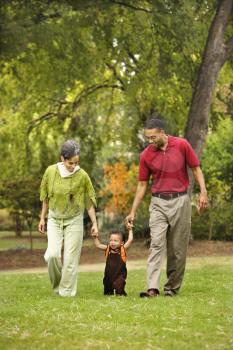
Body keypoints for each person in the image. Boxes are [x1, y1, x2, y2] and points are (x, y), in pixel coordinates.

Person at [125, 118, 208, 297]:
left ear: (163, 132)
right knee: (156, 244)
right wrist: (132, 211)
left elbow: (196, 169)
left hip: (180, 201)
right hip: (158, 203)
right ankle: (152, 288)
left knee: (178, 248)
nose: (150, 141)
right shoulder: (146, 155)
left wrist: (203, 192)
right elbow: (141, 185)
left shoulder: (182, 145)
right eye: (147, 138)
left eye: (153, 137)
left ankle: (171, 288)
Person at [38, 140, 98, 297]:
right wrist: (42, 218)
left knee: (70, 260)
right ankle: (58, 287)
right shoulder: (51, 172)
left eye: (76, 163)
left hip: (74, 220)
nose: (73, 166)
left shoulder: (82, 175)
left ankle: (66, 293)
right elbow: (46, 198)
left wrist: (94, 223)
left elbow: (88, 202)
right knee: (52, 255)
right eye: (70, 163)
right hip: (55, 219)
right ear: (62, 159)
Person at [92, 226, 133, 296]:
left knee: (119, 286)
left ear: (122, 242)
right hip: (108, 275)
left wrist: (130, 230)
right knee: (108, 290)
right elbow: (98, 245)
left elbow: (130, 240)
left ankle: (121, 294)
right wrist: (95, 237)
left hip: (120, 275)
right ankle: (109, 293)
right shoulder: (108, 249)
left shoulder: (122, 249)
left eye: (115, 241)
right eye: (111, 240)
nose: (112, 242)